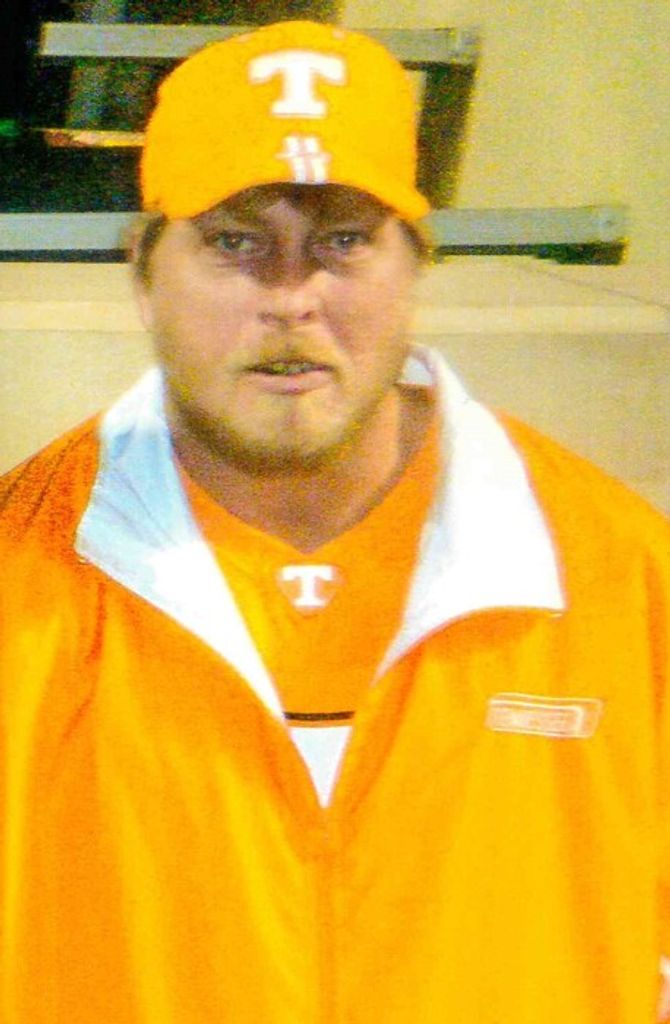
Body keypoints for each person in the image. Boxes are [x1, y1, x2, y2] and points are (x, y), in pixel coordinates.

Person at [1, 19, 669, 1024]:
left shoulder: (623, 576)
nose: (291, 298)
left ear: (417, 265)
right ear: (143, 271)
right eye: (235, 241)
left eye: (343, 240)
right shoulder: (20, 580)